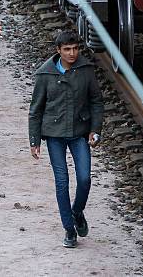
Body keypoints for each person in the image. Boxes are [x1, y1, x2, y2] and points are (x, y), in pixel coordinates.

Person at [28, 31, 104, 248]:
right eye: (67, 50)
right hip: (54, 135)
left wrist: (94, 129)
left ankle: (77, 211)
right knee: (62, 182)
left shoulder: (86, 70)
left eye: (75, 49)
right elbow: (36, 110)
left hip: (79, 132)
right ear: (58, 50)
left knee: (85, 179)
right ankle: (69, 230)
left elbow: (96, 101)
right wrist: (34, 140)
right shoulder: (45, 74)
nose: (72, 53)